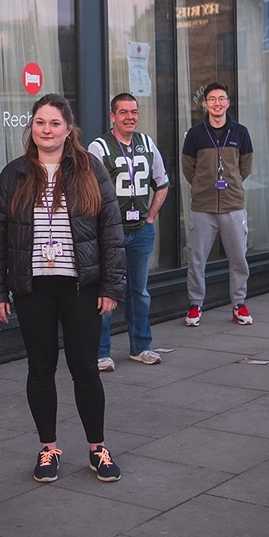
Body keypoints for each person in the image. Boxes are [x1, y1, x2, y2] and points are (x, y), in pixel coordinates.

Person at [0, 93, 126, 483]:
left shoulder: (90, 169)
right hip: (33, 289)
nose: (47, 130)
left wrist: (111, 286)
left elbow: (110, 232)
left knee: (85, 370)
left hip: (82, 287)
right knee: (40, 369)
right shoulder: (14, 174)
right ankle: (48, 449)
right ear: (32, 128)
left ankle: (98, 449)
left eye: (55, 124)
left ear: (68, 129)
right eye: (40, 123)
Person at [88, 93, 169, 371]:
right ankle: (101, 353)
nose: (130, 117)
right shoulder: (98, 147)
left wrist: (151, 217)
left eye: (134, 112)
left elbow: (162, 182)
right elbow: (89, 191)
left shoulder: (147, 143)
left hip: (141, 231)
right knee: (106, 291)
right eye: (123, 112)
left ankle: (141, 347)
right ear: (112, 116)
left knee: (139, 291)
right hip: (110, 233)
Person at [181, 82, 254, 327]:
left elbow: (245, 167)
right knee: (197, 259)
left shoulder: (240, 133)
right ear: (206, 104)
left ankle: (239, 304)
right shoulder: (195, 134)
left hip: (233, 205)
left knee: (238, 258)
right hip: (202, 206)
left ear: (228, 103)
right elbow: (188, 169)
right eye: (212, 99)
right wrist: (202, 186)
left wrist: (230, 183)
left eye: (221, 99)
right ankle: (195, 305)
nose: (217, 103)